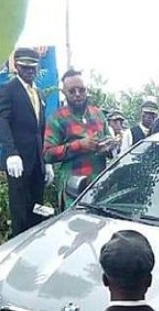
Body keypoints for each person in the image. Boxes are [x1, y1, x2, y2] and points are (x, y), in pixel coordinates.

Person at [0, 47, 53, 237]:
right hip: (18, 161)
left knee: (37, 206)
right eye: (25, 67)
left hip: (37, 160)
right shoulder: (8, 89)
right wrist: (11, 152)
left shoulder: (40, 94)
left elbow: (41, 129)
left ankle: (34, 241)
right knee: (20, 208)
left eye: (32, 68)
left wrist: (47, 160)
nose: (29, 71)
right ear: (17, 67)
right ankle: (19, 246)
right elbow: (3, 121)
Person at [43, 68, 113, 210]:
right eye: (72, 91)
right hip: (73, 190)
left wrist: (108, 147)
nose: (78, 94)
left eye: (81, 90)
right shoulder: (57, 118)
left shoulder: (98, 114)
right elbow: (47, 154)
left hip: (98, 186)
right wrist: (80, 145)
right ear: (64, 93)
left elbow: (109, 143)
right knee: (73, 230)